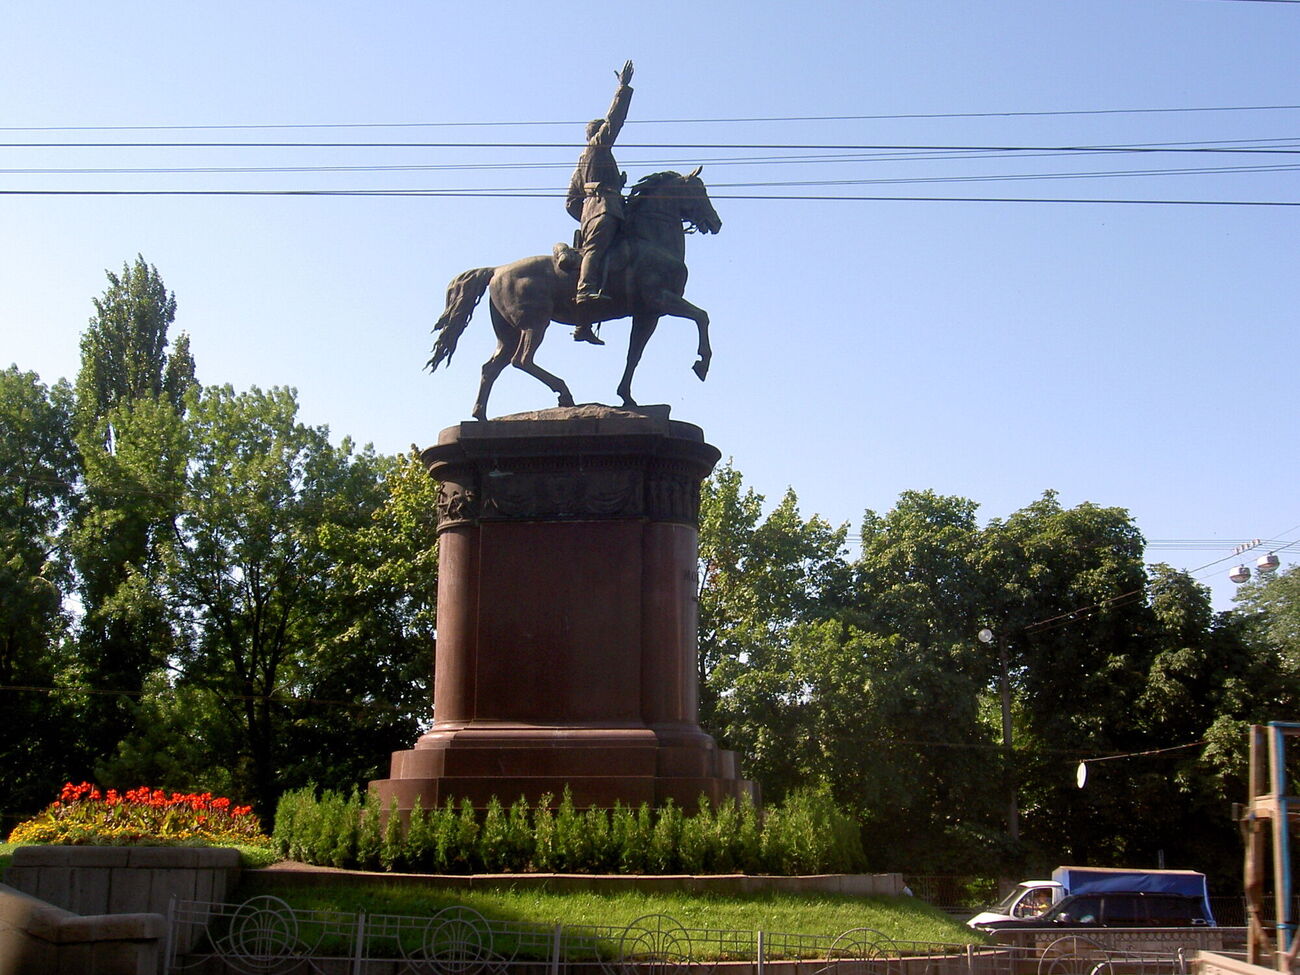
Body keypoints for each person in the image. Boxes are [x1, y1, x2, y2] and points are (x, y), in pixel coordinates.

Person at [566, 60, 634, 345]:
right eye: (601, 129)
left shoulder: (580, 165)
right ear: (596, 133)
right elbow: (615, 119)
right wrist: (623, 88)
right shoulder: (598, 146)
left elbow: (570, 203)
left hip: (600, 209)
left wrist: (585, 213)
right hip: (604, 209)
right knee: (597, 246)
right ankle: (584, 290)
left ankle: (585, 324)